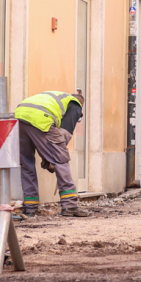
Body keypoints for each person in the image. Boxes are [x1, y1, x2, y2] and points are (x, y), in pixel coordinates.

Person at [15, 90, 91, 218]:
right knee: (61, 160)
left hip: (20, 116)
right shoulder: (75, 104)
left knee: (26, 163)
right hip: (40, 118)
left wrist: (47, 156)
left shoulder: (56, 98)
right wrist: (52, 158)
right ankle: (70, 205)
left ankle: (30, 208)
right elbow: (64, 134)